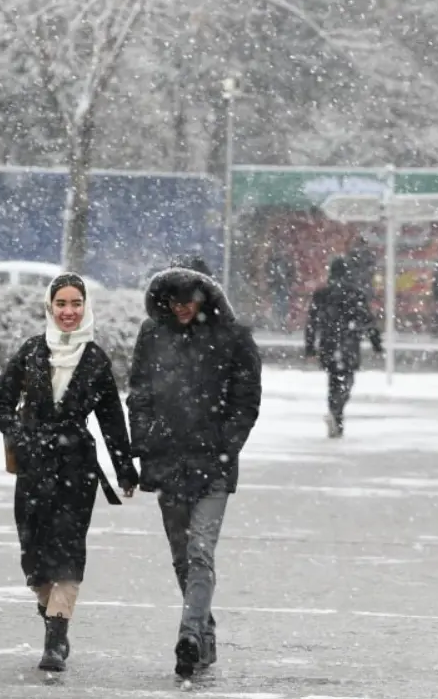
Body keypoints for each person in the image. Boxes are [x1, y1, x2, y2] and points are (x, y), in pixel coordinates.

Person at [0, 274, 138, 672]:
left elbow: (111, 419)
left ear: (85, 306)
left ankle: (54, 641)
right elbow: (1, 404)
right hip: (34, 467)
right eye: (61, 304)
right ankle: (54, 617)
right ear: (50, 307)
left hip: (76, 467)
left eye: (76, 303)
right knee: (34, 556)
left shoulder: (96, 360)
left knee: (68, 551)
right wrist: (19, 437)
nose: (69, 311)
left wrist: (124, 469)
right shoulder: (31, 352)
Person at [127, 261, 261, 678]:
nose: (181, 307)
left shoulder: (234, 337)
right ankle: (204, 632)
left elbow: (246, 400)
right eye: (173, 299)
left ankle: (188, 634)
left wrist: (225, 445)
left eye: (188, 298)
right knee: (182, 556)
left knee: (200, 550)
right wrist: (145, 439)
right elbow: (139, 392)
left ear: (204, 296)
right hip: (168, 462)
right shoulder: (153, 334)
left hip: (212, 465)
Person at [305, 257, 382, 438]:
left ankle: (335, 413)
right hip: (349, 342)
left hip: (329, 342)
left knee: (333, 381)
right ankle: (337, 411)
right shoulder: (355, 293)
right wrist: (376, 343)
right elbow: (367, 320)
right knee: (347, 381)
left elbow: (312, 323)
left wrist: (310, 347)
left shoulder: (322, 294)